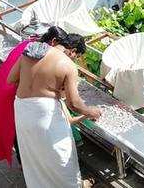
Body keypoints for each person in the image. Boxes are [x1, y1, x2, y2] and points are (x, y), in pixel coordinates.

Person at [8, 30, 101, 187]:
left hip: (22, 108)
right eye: (77, 57)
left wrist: (37, 84)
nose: (75, 60)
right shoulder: (67, 64)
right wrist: (91, 111)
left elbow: (11, 78)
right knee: (61, 156)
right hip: (45, 112)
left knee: (34, 155)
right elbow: (74, 104)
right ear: (72, 51)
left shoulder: (32, 51)